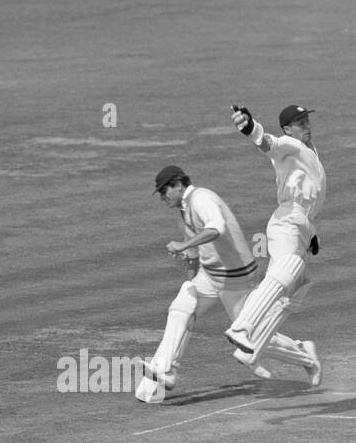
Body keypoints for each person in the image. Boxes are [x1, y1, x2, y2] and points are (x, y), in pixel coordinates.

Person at [137, 164, 320, 403]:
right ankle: (165, 371)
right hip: (210, 275)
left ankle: (304, 354)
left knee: (252, 339)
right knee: (182, 307)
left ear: (179, 184)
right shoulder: (183, 210)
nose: (162, 198)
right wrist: (191, 280)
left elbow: (216, 229)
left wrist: (183, 246)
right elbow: (193, 251)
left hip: (236, 277)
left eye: (164, 191)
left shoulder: (202, 199)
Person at [224, 104, 327, 365]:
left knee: (296, 290)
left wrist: (310, 232)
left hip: (301, 224)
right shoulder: (288, 145)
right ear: (287, 129)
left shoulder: (309, 149)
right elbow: (266, 141)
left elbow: (310, 193)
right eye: (300, 122)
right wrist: (248, 126)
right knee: (286, 270)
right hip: (287, 221)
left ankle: (301, 355)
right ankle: (242, 327)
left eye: (306, 120)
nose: (306, 126)